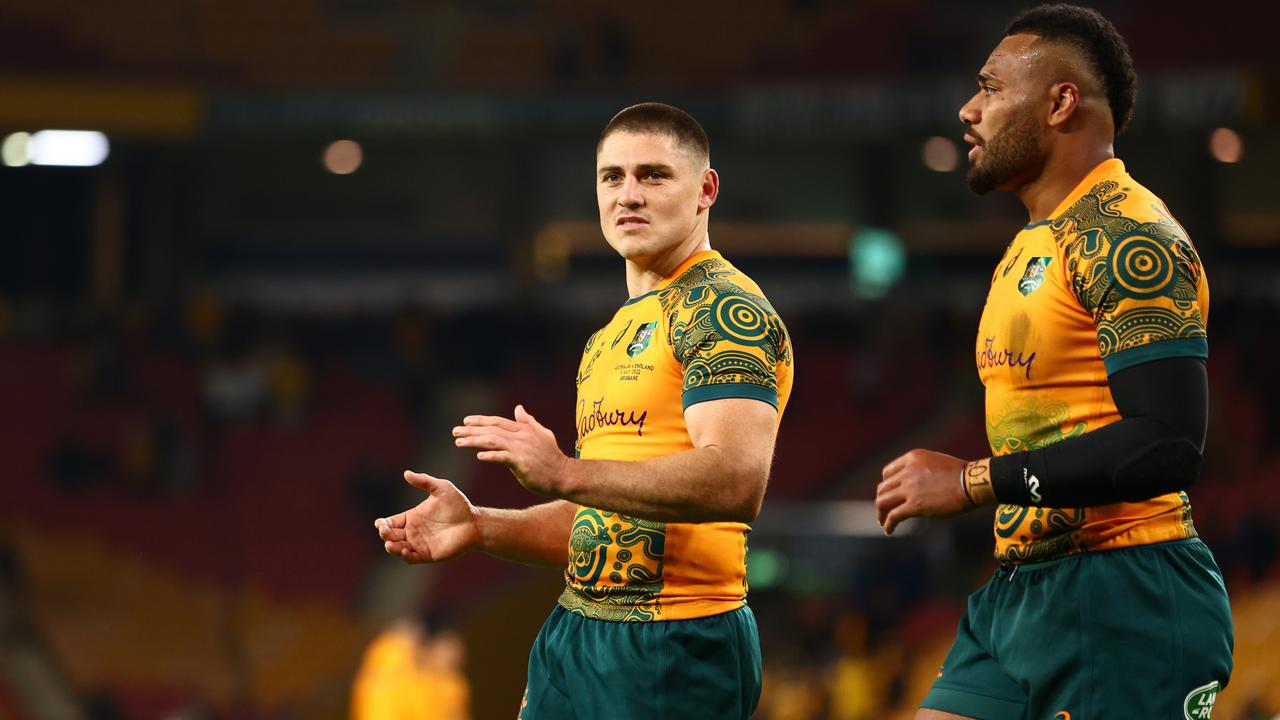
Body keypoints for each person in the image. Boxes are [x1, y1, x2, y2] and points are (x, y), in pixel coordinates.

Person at [376, 102, 793, 719]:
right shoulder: (611, 336)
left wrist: (565, 471)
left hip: (675, 639)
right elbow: (600, 519)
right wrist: (480, 526)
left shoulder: (726, 312)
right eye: (612, 177)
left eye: (653, 175)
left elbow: (735, 479)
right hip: (577, 631)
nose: (629, 195)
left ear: (706, 189)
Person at [873, 5, 1233, 719]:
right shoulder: (1035, 243)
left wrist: (974, 481)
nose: (967, 109)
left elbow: (1167, 441)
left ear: (1061, 101)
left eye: (991, 88)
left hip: (1126, 594)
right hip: (1022, 592)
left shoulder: (1129, 236)